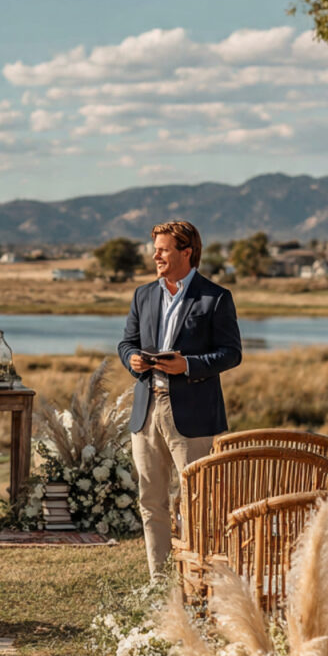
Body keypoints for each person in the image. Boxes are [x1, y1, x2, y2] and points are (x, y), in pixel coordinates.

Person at [117, 219, 242, 581]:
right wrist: (133, 359)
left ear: (186, 252)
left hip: (192, 414)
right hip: (146, 409)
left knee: (198, 503)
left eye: (163, 249)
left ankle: (198, 579)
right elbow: (125, 343)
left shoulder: (215, 297)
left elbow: (231, 354)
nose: (155, 254)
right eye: (155, 248)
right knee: (150, 501)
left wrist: (186, 365)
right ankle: (160, 582)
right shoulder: (143, 295)